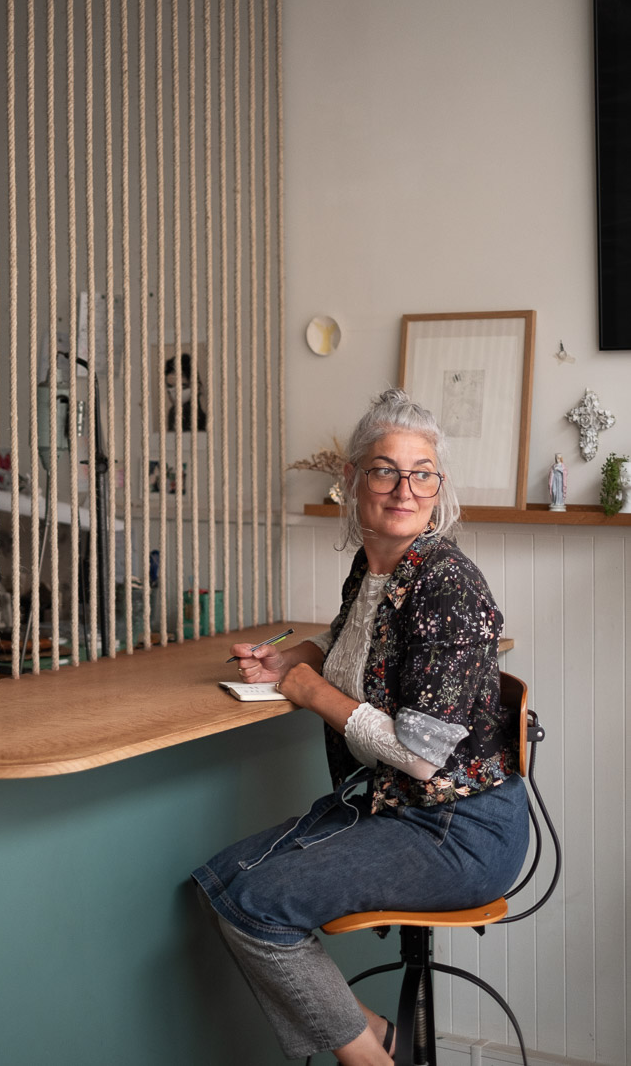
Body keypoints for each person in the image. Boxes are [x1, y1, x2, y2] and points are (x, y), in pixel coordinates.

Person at [193, 388, 527, 1064]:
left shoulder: (447, 583)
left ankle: (368, 1058)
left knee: (254, 902)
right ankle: (383, 1036)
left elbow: (422, 756)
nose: (405, 488)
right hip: (396, 809)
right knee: (221, 882)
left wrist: (309, 689)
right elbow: (358, 640)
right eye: (385, 468)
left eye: (423, 471)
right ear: (352, 479)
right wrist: (296, 657)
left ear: (439, 484)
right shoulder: (377, 565)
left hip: (458, 827)